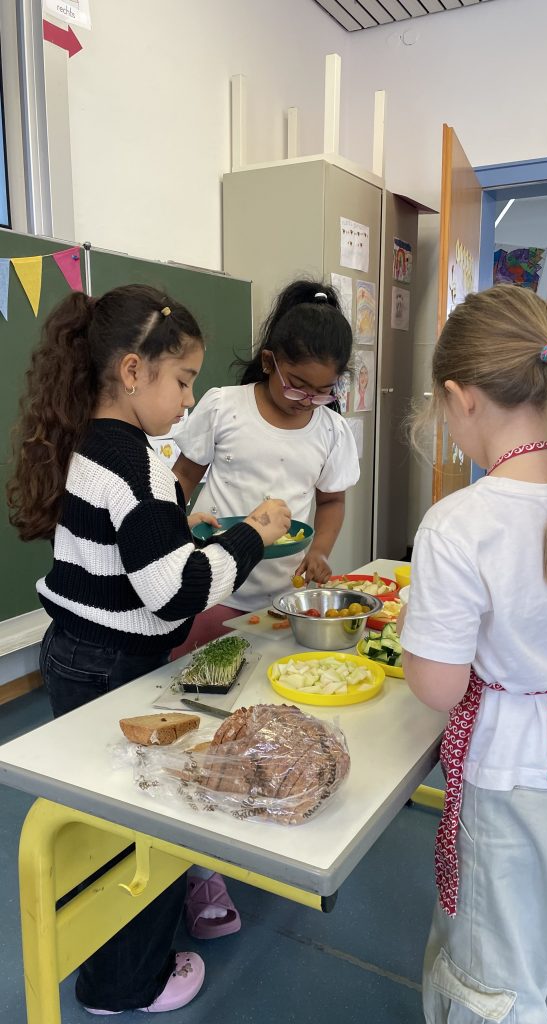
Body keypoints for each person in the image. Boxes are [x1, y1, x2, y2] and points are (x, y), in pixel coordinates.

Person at [6, 283, 290, 1015]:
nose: (189, 401)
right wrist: (253, 534)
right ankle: (127, 982)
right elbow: (176, 592)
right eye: (184, 380)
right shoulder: (140, 464)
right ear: (133, 372)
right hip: (115, 667)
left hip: (73, 651)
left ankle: (115, 954)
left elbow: (126, 550)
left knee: (101, 812)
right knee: (138, 821)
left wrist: (180, 530)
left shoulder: (89, 441)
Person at [398, 284, 547, 1024]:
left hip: (509, 777)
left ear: (460, 397)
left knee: (495, 980)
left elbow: (439, 688)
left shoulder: (458, 524)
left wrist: (419, 641)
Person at [172, 279, 360, 642]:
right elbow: (183, 476)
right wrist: (167, 531)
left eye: (322, 392)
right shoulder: (224, 406)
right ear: (269, 362)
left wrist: (320, 551)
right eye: (297, 386)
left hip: (284, 596)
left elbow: (332, 501)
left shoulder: (331, 430)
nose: (306, 400)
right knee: (198, 670)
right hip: (212, 587)